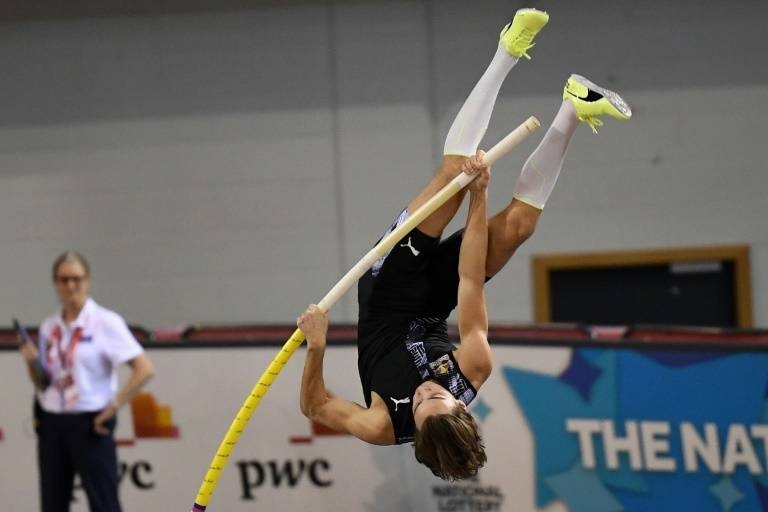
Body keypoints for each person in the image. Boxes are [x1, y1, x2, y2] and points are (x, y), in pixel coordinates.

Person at [297, 7, 632, 481]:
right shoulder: (473, 368)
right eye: (437, 395)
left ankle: (507, 51)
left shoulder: (379, 423)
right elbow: (470, 280)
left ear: (411, 425)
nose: (424, 392)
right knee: (517, 227)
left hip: (387, 291)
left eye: (419, 404)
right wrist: (481, 197)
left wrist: (317, 344)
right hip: (435, 299)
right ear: (461, 404)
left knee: (453, 175)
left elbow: (314, 404)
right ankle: (574, 107)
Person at [18, 251, 155, 512]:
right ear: (55, 283)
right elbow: (43, 383)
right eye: (64, 279)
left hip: (91, 421)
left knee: (103, 502)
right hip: (53, 421)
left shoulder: (105, 322)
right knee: (52, 502)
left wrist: (114, 406)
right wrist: (31, 362)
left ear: (88, 280)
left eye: (77, 279)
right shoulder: (49, 327)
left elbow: (144, 369)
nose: (71, 286)